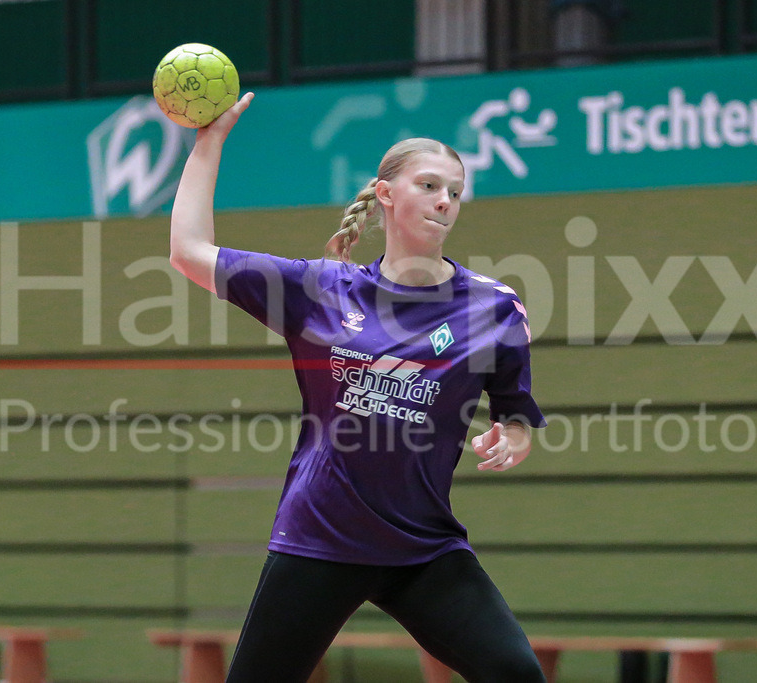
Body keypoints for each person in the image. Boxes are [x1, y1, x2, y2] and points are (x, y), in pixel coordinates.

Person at [169, 92, 547, 683]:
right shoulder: (320, 290)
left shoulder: (493, 307)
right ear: (386, 193)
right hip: (321, 536)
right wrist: (208, 143)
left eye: (455, 191)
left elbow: (515, 411)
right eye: (429, 185)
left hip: (422, 546)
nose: (445, 201)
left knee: (516, 673)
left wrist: (513, 439)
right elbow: (188, 253)